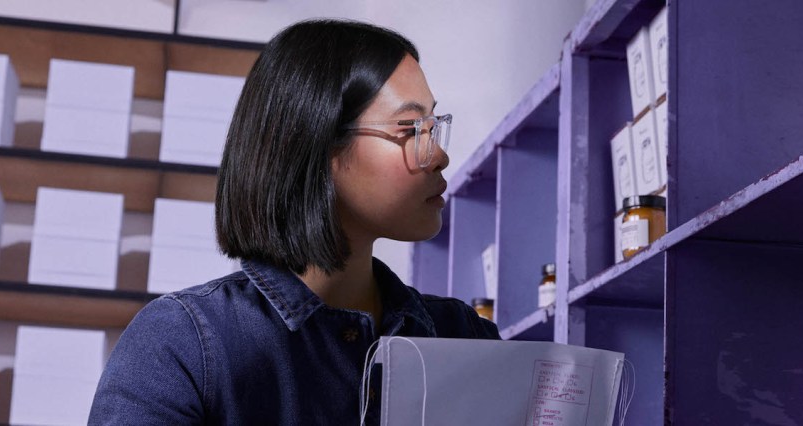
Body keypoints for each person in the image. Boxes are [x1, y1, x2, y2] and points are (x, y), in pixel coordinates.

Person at [89, 19, 499, 425]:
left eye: (434, 125)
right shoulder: (184, 343)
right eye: (411, 127)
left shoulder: (462, 335)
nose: (440, 155)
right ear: (316, 142)